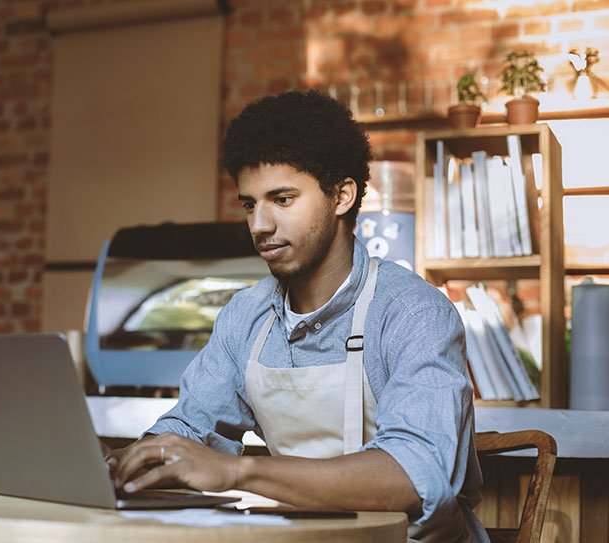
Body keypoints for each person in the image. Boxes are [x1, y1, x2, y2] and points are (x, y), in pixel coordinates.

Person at [107, 90, 488, 542]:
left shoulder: (413, 313)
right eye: (250, 204)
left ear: (342, 196)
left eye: (282, 199)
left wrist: (238, 472)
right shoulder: (245, 316)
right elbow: (192, 426)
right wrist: (141, 457)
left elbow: (410, 475)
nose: (259, 225)